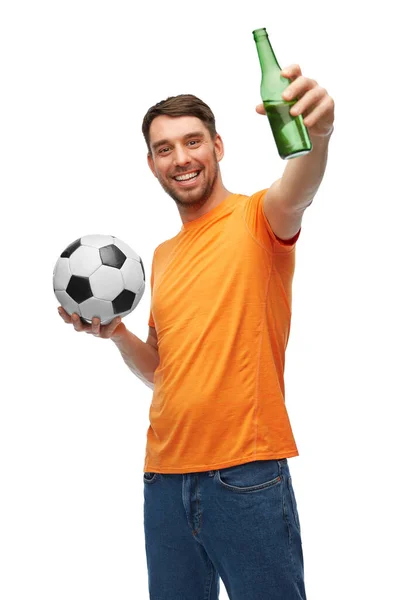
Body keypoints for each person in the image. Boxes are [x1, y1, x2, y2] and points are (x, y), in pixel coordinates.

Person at [58, 63, 334, 599]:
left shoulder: (259, 217)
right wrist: (116, 333)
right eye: (165, 149)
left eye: (192, 142)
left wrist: (318, 137)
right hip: (162, 478)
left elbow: (300, 186)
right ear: (152, 163)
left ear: (219, 146)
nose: (180, 158)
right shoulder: (161, 257)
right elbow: (164, 371)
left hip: (244, 476)